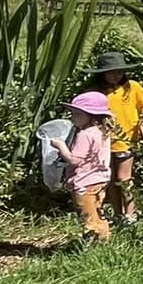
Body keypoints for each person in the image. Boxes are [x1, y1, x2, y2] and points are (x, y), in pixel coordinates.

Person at [90, 52, 143, 227]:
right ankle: (118, 214)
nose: (115, 75)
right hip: (105, 141)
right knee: (110, 179)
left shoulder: (132, 87)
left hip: (127, 139)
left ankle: (131, 213)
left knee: (124, 177)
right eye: (111, 72)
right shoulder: (97, 93)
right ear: (103, 74)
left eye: (118, 72)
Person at [48, 92, 116, 243]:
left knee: (87, 216)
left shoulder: (85, 134)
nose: (73, 117)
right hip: (100, 180)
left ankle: (89, 245)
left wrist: (60, 146)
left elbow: (74, 160)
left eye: (77, 114)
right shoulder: (103, 132)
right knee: (98, 212)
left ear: (91, 116)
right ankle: (104, 242)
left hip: (84, 182)